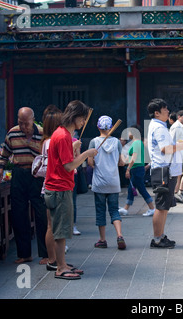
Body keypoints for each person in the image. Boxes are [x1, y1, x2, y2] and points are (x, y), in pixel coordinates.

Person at [44, 100, 98, 280]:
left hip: (55, 186)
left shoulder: (60, 134)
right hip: (60, 188)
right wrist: (86, 154)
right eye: (82, 118)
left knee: (56, 227)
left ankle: (59, 262)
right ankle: (60, 267)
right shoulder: (63, 136)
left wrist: (74, 148)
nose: (83, 122)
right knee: (61, 230)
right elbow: (68, 166)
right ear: (75, 117)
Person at [0, 107, 48, 264]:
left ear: (33, 119)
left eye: (26, 123)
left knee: (41, 213)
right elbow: (4, 154)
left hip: (37, 176)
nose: (23, 127)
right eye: (20, 123)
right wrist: (0, 170)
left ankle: (45, 253)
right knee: (18, 214)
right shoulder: (12, 133)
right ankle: (24, 254)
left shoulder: (42, 134)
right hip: (19, 174)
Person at [147, 98, 183, 249]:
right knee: (161, 206)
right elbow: (165, 149)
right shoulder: (159, 128)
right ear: (157, 113)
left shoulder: (159, 125)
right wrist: (181, 146)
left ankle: (161, 235)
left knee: (164, 206)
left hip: (164, 169)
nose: (168, 112)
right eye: (165, 110)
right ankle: (157, 238)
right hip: (164, 170)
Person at [88, 115, 126, 250]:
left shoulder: (93, 142)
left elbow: (90, 163)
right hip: (114, 181)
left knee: (100, 211)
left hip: (99, 182)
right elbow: (121, 162)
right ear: (110, 127)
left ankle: (102, 240)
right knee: (114, 210)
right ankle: (119, 235)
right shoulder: (116, 142)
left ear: (98, 126)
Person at [38, 109, 63, 271]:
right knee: (53, 225)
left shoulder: (45, 142)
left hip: (47, 186)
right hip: (53, 186)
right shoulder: (51, 142)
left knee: (51, 225)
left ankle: (53, 259)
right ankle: (54, 260)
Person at [118, 124, 155, 217]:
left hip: (137, 169)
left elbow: (134, 157)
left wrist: (128, 169)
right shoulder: (138, 142)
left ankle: (152, 208)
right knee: (131, 189)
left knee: (141, 189)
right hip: (137, 169)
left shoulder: (136, 143)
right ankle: (126, 209)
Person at [170, 110, 183, 204]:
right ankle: (177, 192)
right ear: (179, 117)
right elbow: (172, 141)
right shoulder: (176, 127)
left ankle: (176, 193)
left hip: (182, 153)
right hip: (178, 154)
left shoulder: (181, 127)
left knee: (180, 174)